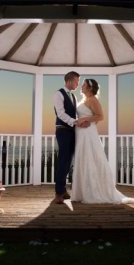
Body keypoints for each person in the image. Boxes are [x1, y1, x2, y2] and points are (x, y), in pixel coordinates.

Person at [71, 78, 134, 204]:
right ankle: (81, 192)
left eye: (84, 85)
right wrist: (81, 121)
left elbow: (100, 116)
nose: (81, 87)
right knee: (82, 158)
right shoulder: (84, 100)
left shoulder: (93, 100)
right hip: (81, 132)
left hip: (88, 133)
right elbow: (92, 117)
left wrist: (84, 120)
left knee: (90, 158)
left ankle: (93, 192)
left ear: (90, 88)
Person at [53, 71, 89, 204]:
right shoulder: (58, 94)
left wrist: (82, 121)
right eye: (76, 81)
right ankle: (58, 193)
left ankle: (63, 190)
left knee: (69, 162)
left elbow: (75, 115)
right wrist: (75, 122)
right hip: (62, 131)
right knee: (63, 161)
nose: (78, 84)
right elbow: (60, 114)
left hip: (73, 132)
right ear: (69, 80)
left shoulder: (73, 97)